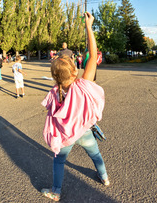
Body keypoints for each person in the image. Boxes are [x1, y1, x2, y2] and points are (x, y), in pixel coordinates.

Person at [40, 12, 109, 201]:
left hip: (65, 136)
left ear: (55, 77)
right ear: (75, 70)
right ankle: (104, 178)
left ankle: (56, 191)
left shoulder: (55, 93)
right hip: (85, 131)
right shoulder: (83, 85)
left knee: (59, 161)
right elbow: (93, 55)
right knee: (95, 154)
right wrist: (89, 26)